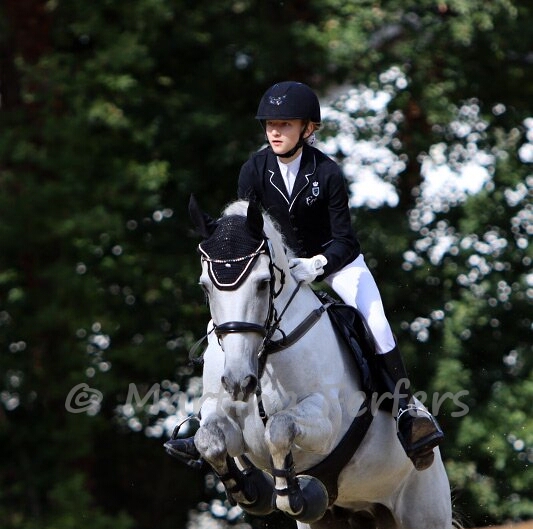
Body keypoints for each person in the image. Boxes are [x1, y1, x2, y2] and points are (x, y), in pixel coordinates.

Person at [166, 81, 443, 470]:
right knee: (227, 322)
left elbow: (345, 240)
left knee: (376, 322)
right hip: (277, 268)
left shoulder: (326, 172)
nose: (275, 132)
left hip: (335, 262)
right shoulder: (253, 170)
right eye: (270, 125)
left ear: (307, 128)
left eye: (285, 124)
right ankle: (206, 414)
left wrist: (317, 264)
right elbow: (247, 232)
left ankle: (406, 412)